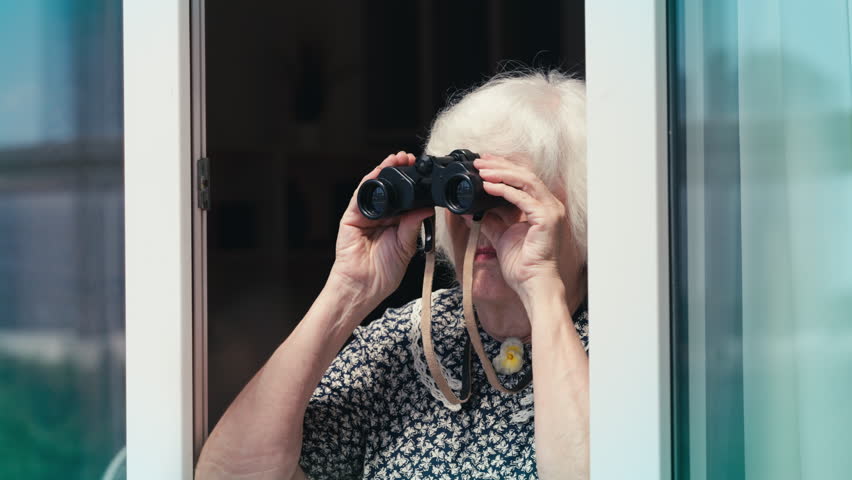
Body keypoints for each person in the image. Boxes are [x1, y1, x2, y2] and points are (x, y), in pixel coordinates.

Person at [196, 70, 589, 480]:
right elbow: (228, 475)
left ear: (578, 211)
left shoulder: (625, 353)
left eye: (508, 194)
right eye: (463, 187)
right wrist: (349, 288)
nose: (478, 216)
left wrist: (542, 289)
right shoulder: (409, 340)